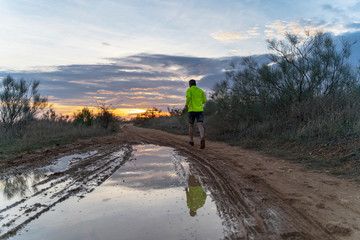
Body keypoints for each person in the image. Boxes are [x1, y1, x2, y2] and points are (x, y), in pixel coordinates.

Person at [185, 79, 207, 149]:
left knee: (191, 126)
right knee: (200, 125)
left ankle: (191, 141)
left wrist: (186, 105)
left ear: (189, 85)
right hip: (200, 110)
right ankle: (202, 137)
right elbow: (204, 100)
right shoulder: (201, 91)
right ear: (195, 84)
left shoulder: (189, 90)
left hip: (191, 110)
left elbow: (188, 97)